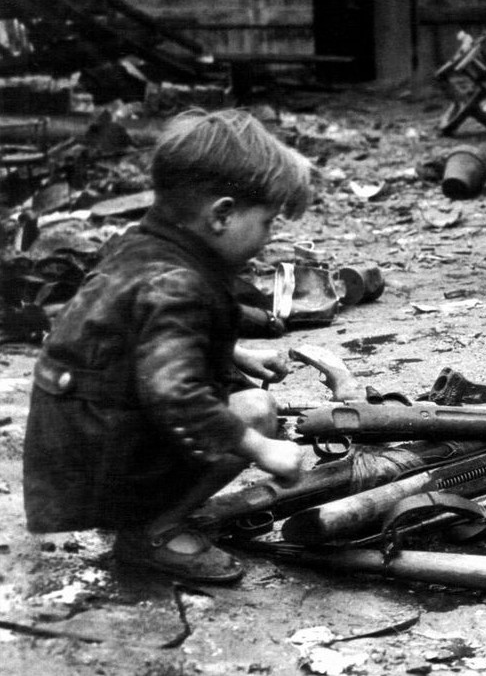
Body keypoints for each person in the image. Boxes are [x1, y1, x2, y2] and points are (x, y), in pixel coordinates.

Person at [23, 109, 313, 584]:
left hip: (76, 441)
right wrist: (261, 448)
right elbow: (174, 395)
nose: (269, 238)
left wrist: (236, 352)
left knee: (230, 395)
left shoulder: (143, 246)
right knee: (256, 411)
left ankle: (144, 514)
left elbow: (134, 331)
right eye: (267, 223)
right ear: (221, 214)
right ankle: (152, 532)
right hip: (94, 461)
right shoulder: (178, 283)